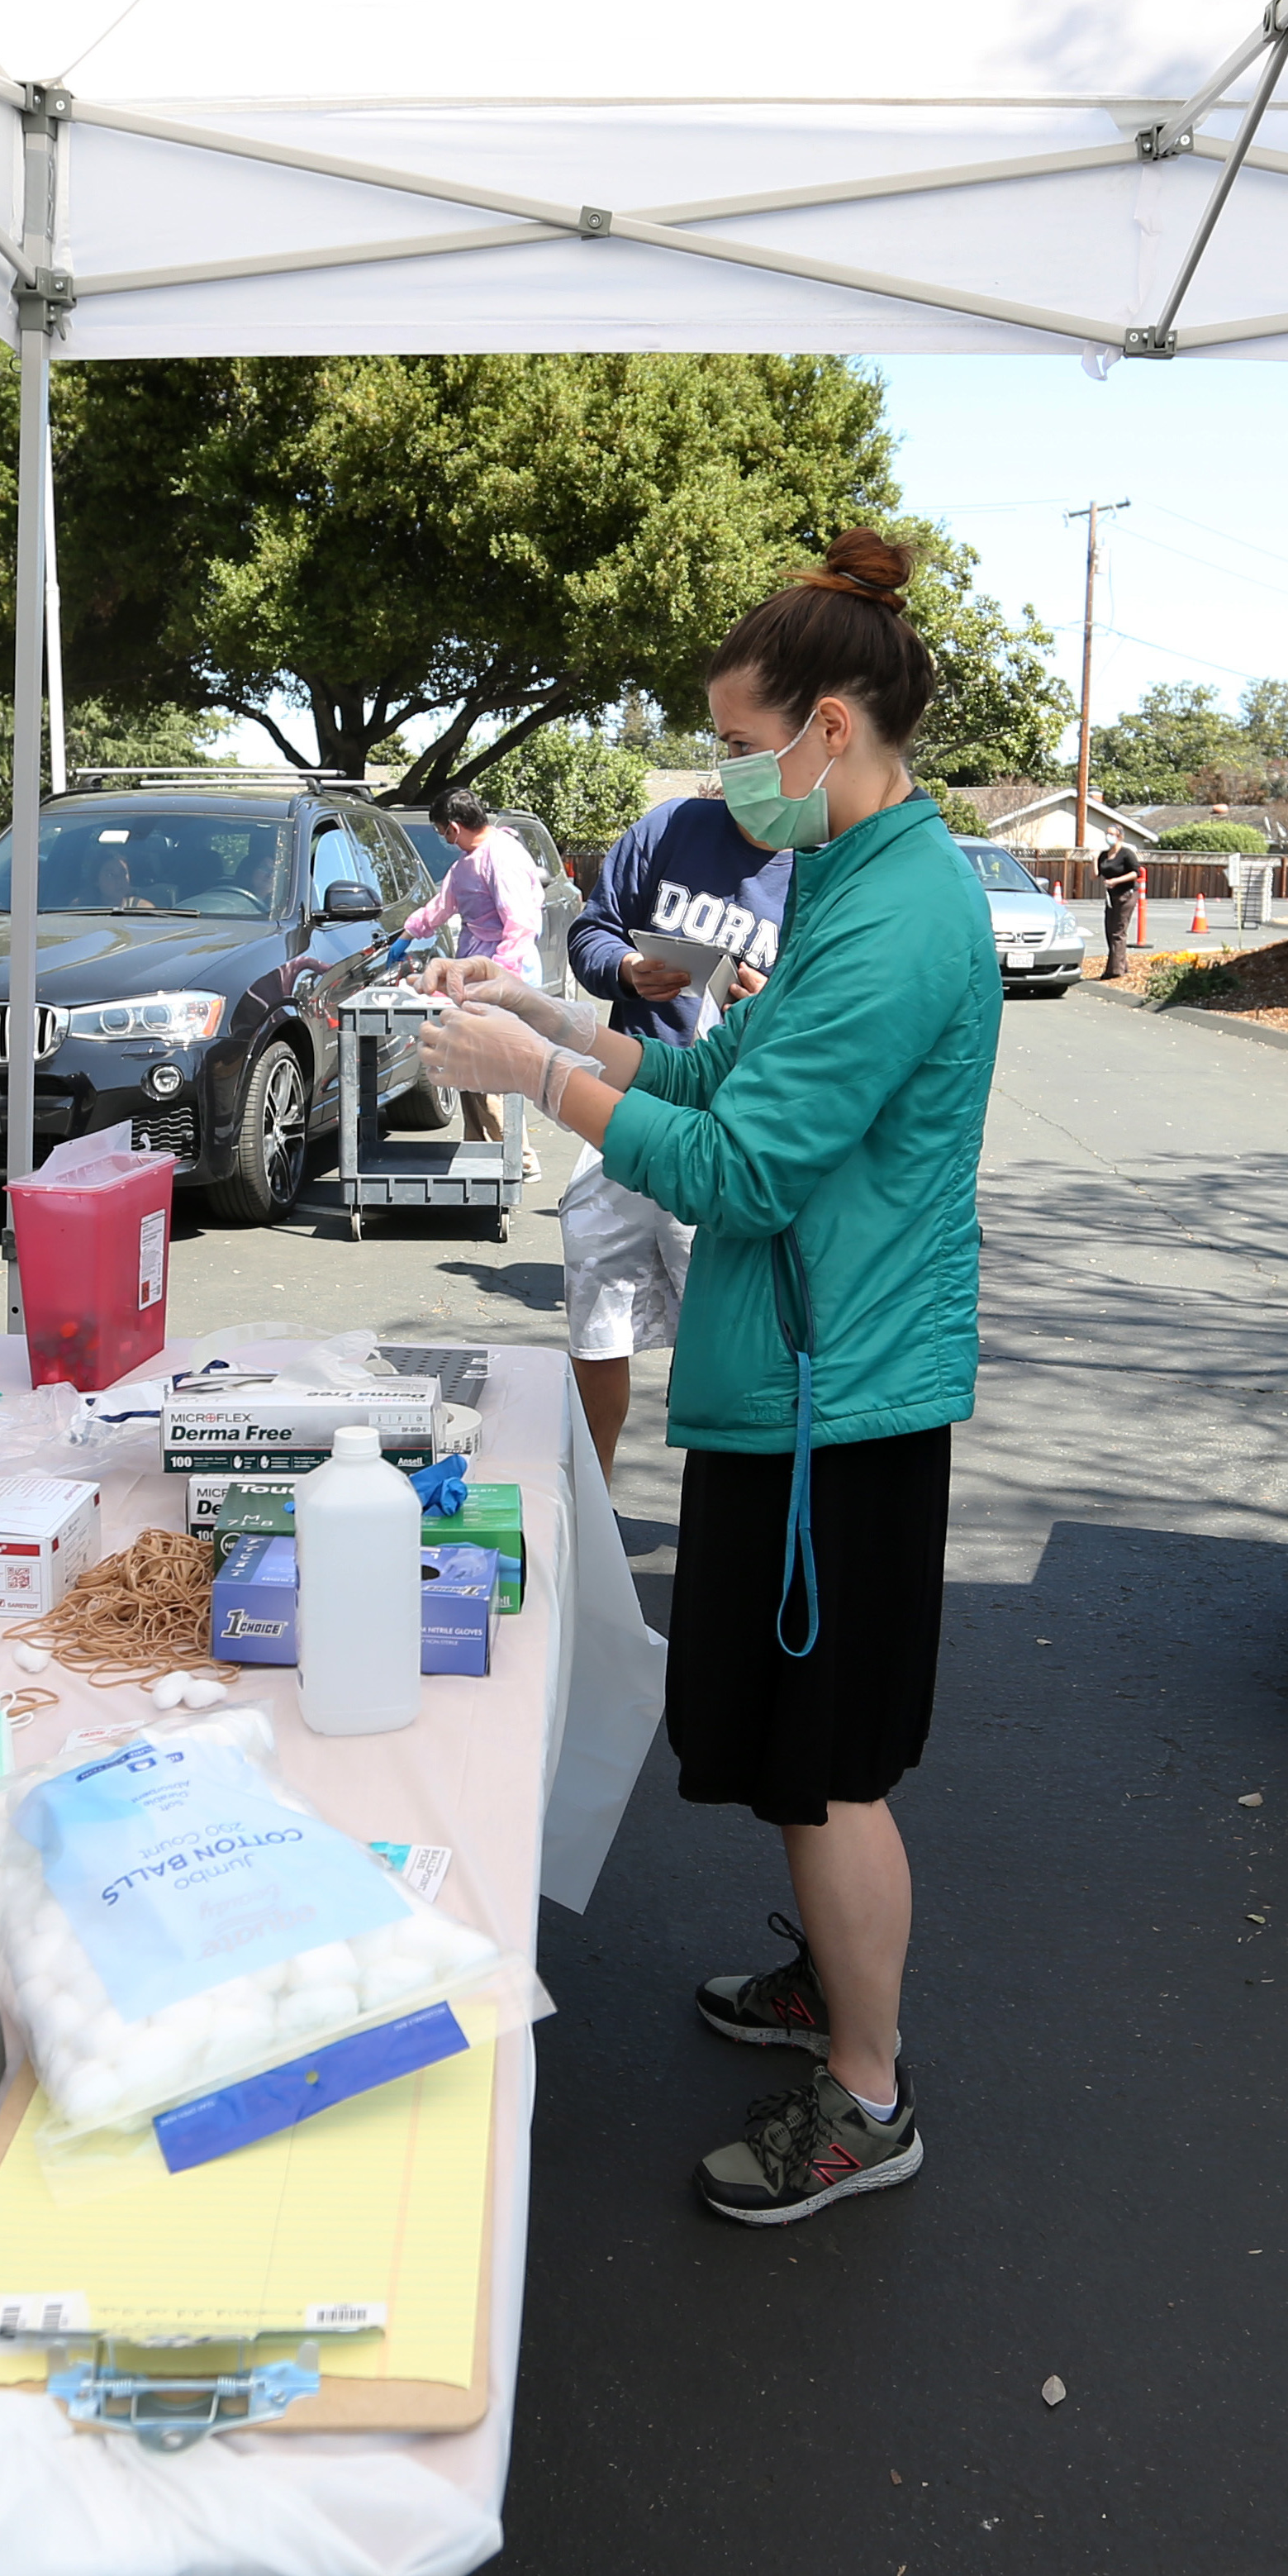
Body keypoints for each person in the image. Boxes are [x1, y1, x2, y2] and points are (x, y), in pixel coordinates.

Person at [414, 526, 997, 2224]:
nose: (725, 773)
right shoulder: (861, 876)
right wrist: (552, 1012)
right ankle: (836, 1983)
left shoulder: (902, 917)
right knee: (783, 1742)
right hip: (795, 1380)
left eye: (739, 739)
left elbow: (740, 1167)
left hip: (844, 1400)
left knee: (828, 1765)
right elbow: (715, 1058)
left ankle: (870, 2094)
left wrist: (536, 1080)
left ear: (827, 725)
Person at [559, 789, 791, 1477]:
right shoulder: (671, 826)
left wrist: (768, 1004)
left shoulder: (824, 860)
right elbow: (591, 932)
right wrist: (627, 969)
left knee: (725, 1338)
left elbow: (831, 1005)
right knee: (596, 1323)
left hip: (732, 1127)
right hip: (628, 1105)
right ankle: (589, 1500)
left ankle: (731, 1513)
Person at [402, 792, 547, 1167]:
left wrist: (499, 979)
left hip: (502, 971)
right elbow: (442, 905)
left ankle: (517, 1154)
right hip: (472, 970)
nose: (444, 840)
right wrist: (407, 934)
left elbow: (520, 925)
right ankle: (480, 1145)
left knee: (488, 1065)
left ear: (453, 827)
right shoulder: (468, 863)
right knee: (464, 1061)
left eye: (441, 833)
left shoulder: (503, 857)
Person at [1092, 826, 1143, 978]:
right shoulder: (1104, 855)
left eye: (1112, 834)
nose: (1109, 836)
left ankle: (1114, 971)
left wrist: (1116, 881)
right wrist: (1094, 859)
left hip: (1127, 894)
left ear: (1120, 837)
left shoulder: (1126, 853)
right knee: (1109, 930)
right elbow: (1094, 876)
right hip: (1111, 896)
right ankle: (1122, 965)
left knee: (1118, 931)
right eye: (1107, 833)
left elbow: (1136, 873)